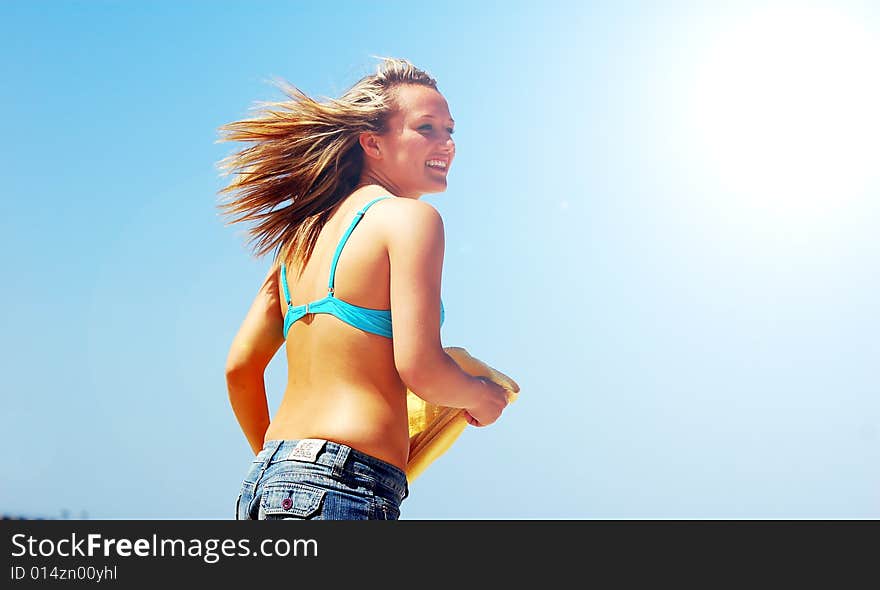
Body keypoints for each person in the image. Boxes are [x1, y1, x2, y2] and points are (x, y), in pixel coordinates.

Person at [216, 57, 511, 520]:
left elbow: (240, 369)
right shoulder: (410, 220)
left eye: (450, 131)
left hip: (266, 483)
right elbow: (420, 368)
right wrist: (481, 396)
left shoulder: (300, 240)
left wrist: (287, 466)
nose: (446, 144)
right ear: (372, 142)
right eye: (426, 128)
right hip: (345, 485)